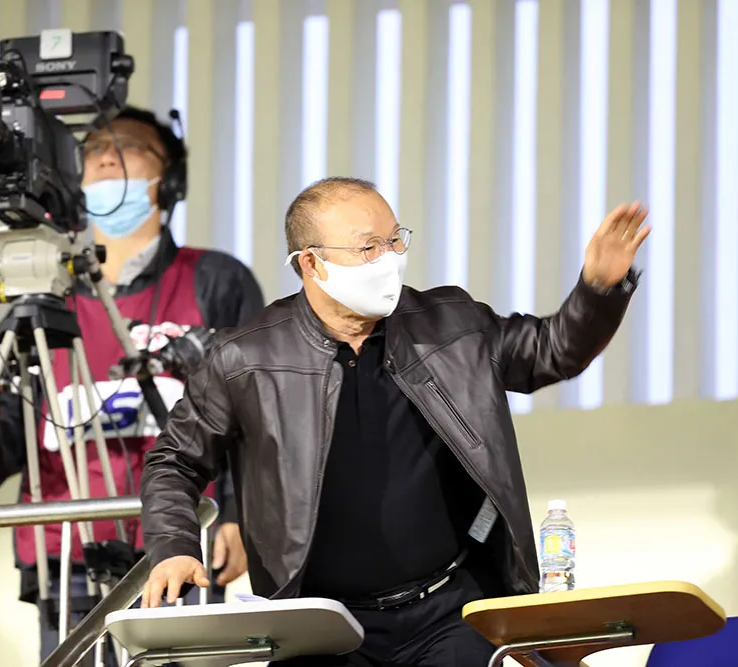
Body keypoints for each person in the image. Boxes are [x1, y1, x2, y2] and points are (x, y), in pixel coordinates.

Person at [139, 177, 648, 666]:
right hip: (321, 621)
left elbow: (552, 350)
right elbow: (175, 461)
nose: (390, 258)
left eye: (395, 240)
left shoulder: (452, 324)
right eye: (368, 247)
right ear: (311, 263)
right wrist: (175, 547)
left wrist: (598, 289)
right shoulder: (245, 357)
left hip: (449, 607)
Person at [0, 106, 264, 664]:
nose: (105, 159)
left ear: (169, 180)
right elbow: (11, 448)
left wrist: (240, 516)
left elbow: (253, 415)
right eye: (94, 150)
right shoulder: (43, 297)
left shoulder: (216, 279)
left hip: (180, 541)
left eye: (128, 147)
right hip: (65, 551)